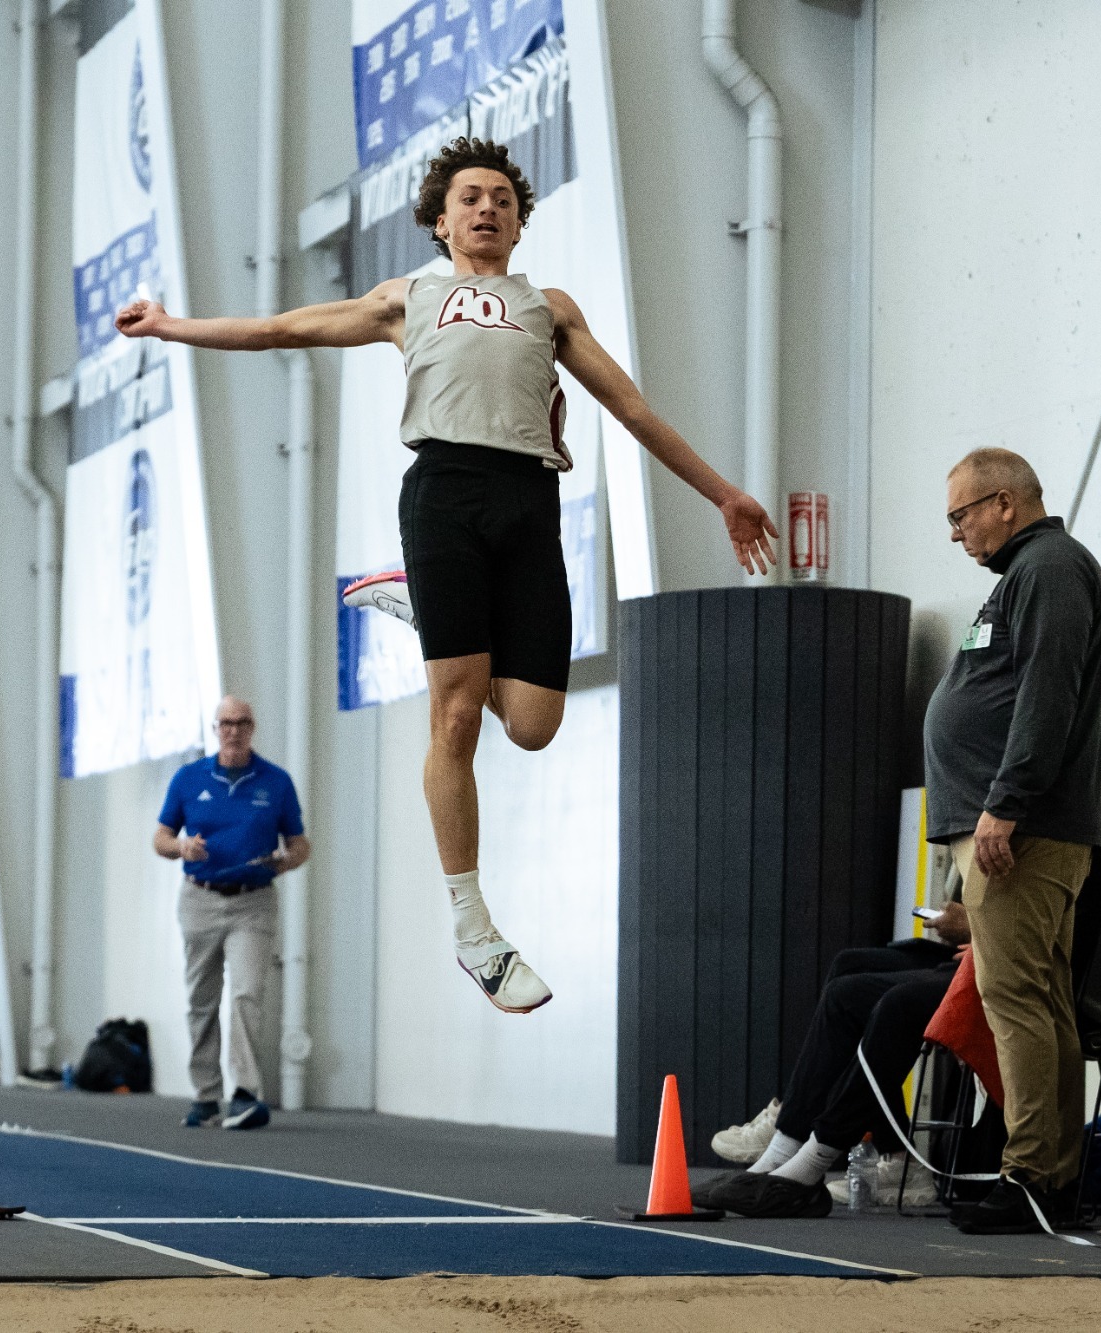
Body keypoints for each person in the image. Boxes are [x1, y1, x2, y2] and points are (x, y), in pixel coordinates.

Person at [116, 137, 774, 1015]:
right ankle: (474, 927)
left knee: (535, 724)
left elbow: (631, 408)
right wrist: (169, 325)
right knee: (456, 710)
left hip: (529, 500)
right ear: (441, 220)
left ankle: (424, 614)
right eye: (470, 197)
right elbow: (280, 329)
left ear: (518, 218)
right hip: (444, 494)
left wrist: (724, 494)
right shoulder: (407, 299)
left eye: (502, 197)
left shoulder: (551, 307)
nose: (487, 208)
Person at [706, 716, 1101, 1220]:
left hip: (1049, 980)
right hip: (1015, 948)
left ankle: (812, 1154)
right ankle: (837, 1143)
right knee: (851, 965)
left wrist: (976, 928)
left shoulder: (1095, 831)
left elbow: (1060, 929)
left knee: (880, 1000)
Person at [923, 447, 1101, 1235]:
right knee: (1038, 999)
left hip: (1021, 830)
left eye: (961, 516)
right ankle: (1052, 1174)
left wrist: (1004, 803)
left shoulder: (1051, 569)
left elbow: (1048, 693)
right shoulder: (1028, 576)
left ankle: (1031, 1172)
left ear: (1005, 503)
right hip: (1017, 826)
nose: (958, 533)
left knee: (1016, 1001)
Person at [154, 695, 310, 1130]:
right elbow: (161, 838)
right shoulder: (189, 779)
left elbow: (300, 844)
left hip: (253, 900)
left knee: (246, 993)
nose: (234, 731)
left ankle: (244, 1093)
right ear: (215, 729)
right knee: (201, 999)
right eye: (226, 723)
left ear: (253, 727)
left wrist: (287, 859)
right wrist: (181, 847)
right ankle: (205, 1095)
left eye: (242, 723)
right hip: (200, 896)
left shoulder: (275, 782)